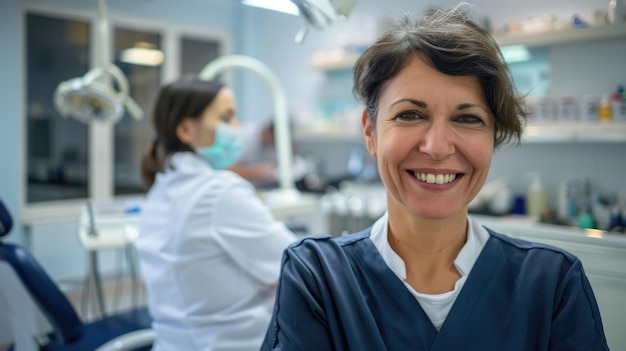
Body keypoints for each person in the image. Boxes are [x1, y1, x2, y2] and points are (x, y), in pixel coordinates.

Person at [261, 5, 609, 351]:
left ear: (494, 136)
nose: (437, 147)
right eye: (410, 115)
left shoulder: (551, 284)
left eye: (468, 119)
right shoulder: (318, 278)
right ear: (370, 133)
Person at [136, 77, 297, 351]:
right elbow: (298, 269)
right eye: (227, 117)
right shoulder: (217, 191)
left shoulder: (161, 187)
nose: (237, 128)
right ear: (186, 129)